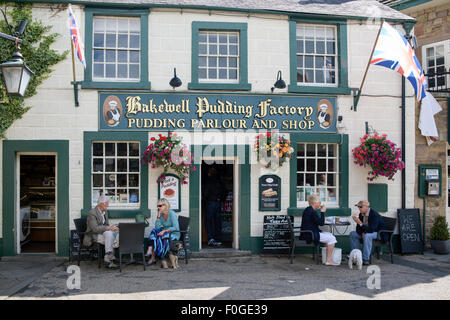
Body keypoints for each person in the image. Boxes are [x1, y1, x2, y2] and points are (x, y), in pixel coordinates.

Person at [300, 194, 339, 266]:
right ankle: (328, 260)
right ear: (315, 203)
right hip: (310, 234)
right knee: (332, 238)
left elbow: (317, 221)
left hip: (308, 233)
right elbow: (321, 223)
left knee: (329, 235)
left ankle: (325, 258)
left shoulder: (308, 209)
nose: (320, 204)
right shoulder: (312, 211)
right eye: (319, 202)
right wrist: (322, 212)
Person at [83, 195, 120, 269]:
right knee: (110, 235)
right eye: (106, 204)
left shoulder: (105, 212)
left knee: (115, 232)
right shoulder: (92, 213)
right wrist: (109, 228)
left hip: (103, 234)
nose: (108, 205)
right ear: (101, 204)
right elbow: (94, 229)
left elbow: (106, 225)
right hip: (93, 235)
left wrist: (113, 226)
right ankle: (109, 258)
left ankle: (108, 256)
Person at [350, 200, 387, 266]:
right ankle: (357, 256)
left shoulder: (374, 214)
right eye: (358, 207)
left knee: (367, 236)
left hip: (379, 233)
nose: (359, 208)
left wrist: (360, 223)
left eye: (360, 207)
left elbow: (372, 229)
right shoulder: (361, 214)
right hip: (368, 232)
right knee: (353, 234)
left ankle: (365, 258)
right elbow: (358, 229)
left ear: (367, 207)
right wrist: (362, 231)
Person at [146, 198, 180, 266]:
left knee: (158, 238)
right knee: (154, 231)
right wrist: (158, 216)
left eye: (160, 206)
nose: (158, 207)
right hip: (164, 232)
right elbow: (157, 227)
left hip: (173, 233)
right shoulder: (161, 214)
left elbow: (175, 227)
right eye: (158, 206)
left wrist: (164, 231)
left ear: (166, 205)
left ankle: (153, 257)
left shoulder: (171, 213)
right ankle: (150, 249)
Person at [202, 166, 226, 247]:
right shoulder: (220, 181)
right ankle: (218, 239)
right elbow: (225, 191)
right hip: (218, 203)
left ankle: (211, 238)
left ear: (209, 174)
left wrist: (205, 200)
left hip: (210, 203)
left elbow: (205, 193)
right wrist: (221, 199)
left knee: (208, 221)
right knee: (217, 221)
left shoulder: (208, 182)